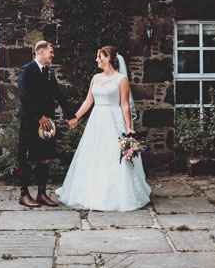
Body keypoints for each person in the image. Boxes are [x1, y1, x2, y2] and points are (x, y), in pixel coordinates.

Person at [55, 46, 151, 211]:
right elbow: (88, 101)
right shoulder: (95, 78)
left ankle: (118, 196)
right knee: (93, 154)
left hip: (114, 121)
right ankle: (91, 193)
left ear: (108, 58)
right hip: (96, 121)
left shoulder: (121, 79)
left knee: (114, 155)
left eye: (100, 57)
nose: (97, 60)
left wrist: (128, 127)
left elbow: (125, 104)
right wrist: (75, 117)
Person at [16, 40, 78, 207]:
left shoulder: (49, 73)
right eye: (51, 51)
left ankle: (42, 194)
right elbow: (24, 96)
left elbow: (59, 95)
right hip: (31, 120)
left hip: (47, 123)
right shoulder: (26, 70)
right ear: (41, 52)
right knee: (27, 158)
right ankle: (24, 194)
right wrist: (39, 116)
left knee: (44, 157)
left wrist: (71, 115)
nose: (53, 54)